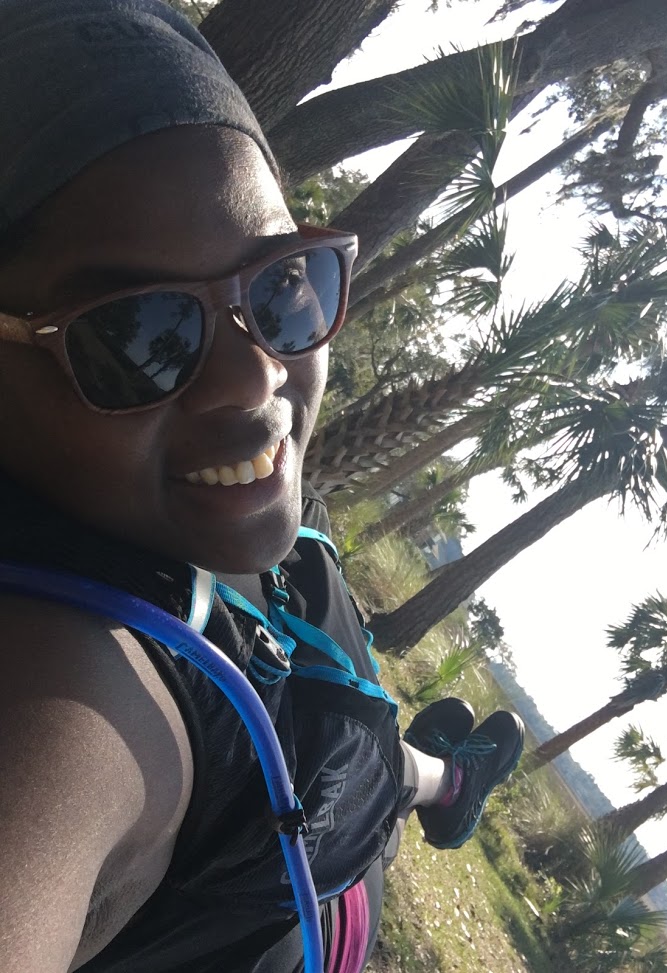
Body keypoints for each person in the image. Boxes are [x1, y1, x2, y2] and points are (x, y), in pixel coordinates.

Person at [0, 2, 524, 971]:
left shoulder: (202, 487)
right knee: (358, 754)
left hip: (300, 710)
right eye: (136, 334)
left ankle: (449, 782)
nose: (256, 377)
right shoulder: (62, 695)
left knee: (362, 726)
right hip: (313, 842)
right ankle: (446, 783)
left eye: (282, 283)